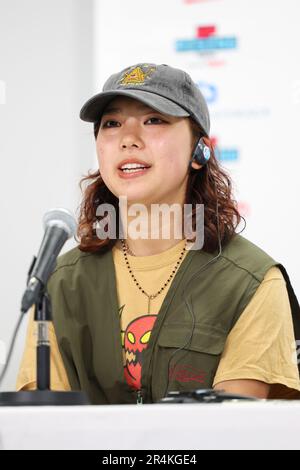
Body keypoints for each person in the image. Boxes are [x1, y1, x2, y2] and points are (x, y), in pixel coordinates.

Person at [16, 63, 300, 404]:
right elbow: (43, 431)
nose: (128, 139)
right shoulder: (60, 282)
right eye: (112, 124)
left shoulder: (251, 281)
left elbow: (231, 433)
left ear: (200, 151)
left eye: (154, 120)